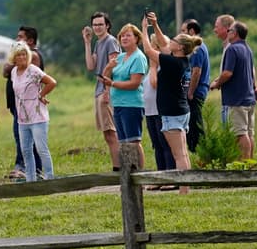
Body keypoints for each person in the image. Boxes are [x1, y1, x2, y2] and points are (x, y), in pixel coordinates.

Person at [141, 13, 194, 193]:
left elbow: (149, 51)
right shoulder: (181, 61)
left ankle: (184, 190)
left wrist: (143, 29)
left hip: (172, 113)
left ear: (179, 47)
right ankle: (186, 187)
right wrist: (155, 24)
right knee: (183, 152)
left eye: (174, 40)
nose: (170, 41)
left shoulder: (172, 62)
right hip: (181, 110)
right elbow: (163, 44)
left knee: (178, 154)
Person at [100, 24, 146, 170]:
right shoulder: (120, 57)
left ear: (137, 38)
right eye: (122, 36)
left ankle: (140, 174)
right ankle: (129, 174)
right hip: (118, 104)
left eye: (128, 35)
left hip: (132, 104)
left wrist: (113, 83)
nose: (124, 38)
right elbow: (105, 77)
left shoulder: (138, 57)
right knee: (124, 142)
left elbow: (134, 83)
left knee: (134, 141)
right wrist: (107, 68)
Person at [211, 16, 256, 160]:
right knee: (249, 133)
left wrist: (217, 84)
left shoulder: (232, 49)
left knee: (240, 134)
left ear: (234, 33)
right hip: (248, 98)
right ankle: (250, 164)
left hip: (236, 99)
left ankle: (244, 167)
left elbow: (227, 73)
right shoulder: (247, 49)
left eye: (230, 30)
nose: (228, 33)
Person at [10, 42, 57, 183]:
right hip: (23, 118)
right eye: (19, 55)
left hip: (37, 117)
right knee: (25, 150)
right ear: (14, 58)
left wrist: (41, 94)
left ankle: (49, 179)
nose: (22, 57)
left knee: (41, 148)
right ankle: (31, 180)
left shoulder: (33, 70)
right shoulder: (14, 72)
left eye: (24, 54)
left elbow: (51, 82)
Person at [83, 11, 122, 170]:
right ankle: (117, 167)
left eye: (100, 24)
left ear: (107, 25)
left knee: (112, 133)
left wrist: (107, 91)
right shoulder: (99, 43)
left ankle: (121, 168)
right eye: (95, 25)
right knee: (107, 133)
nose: (97, 27)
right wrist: (87, 42)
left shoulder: (111, 41)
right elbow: (91, 66)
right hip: (99, 90)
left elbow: (114, 66)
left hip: (107, 91)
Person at [5, 25, 44, 180]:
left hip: (27, 106)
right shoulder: (23, 56)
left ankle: (27, 168)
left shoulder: (33, 55)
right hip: (18, 104)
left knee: (26, 137)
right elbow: (6, 70)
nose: (17, 40)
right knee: (22, 136)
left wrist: (12, 62)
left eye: (20, 37)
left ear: (30, 41)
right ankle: (30, 168)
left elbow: (8, 68)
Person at [182, 19, 211, 153]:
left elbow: (196, 71)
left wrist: (190, 92)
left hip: (196, 91)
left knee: (195, 123)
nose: (182, 34)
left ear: (191, 31)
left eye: (183, 31)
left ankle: (200, 152)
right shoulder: (199, 46)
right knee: (193, 123)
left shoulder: (197, 48)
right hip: (198, 89)